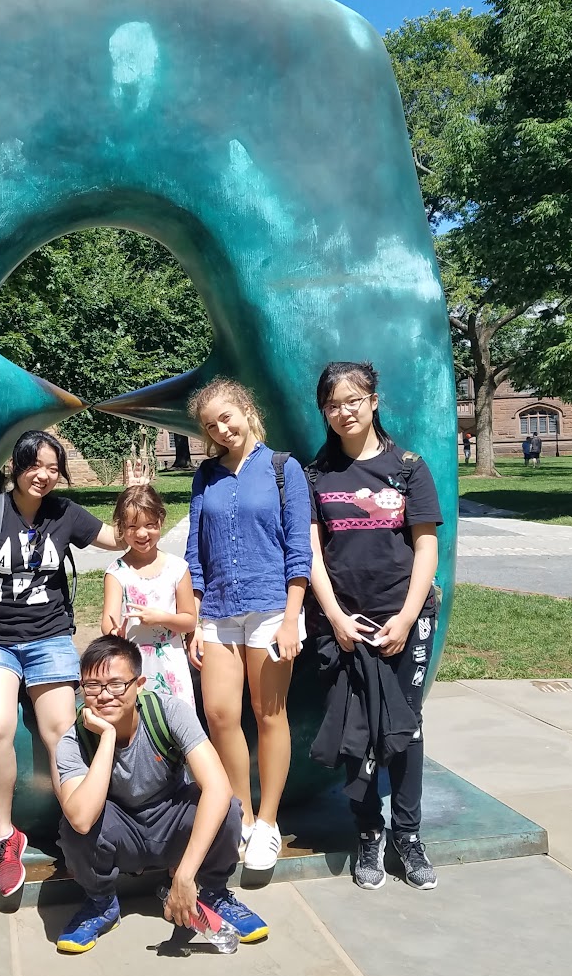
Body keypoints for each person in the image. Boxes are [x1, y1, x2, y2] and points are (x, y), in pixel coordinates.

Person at [0, 430, 122, 897]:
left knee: (61, 730)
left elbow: (116, 536)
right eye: (35, 465)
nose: (44, 475)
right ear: (16, 466)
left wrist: (136, 503)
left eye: (53, 467)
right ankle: (4, 838)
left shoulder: (64, 513)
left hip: (48, 637)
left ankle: (79, 824)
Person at [305, 361, 443, 892]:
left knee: (406, 727)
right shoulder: (315, 475)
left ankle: (408, 836)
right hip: (343, 624)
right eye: (333, 404)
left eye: (352, 400)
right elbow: (312, 553)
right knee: (355, 729)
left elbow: (426, 545)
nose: (343, 412)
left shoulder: (408, 467)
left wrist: (407, 617)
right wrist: (336, 618)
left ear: (373, 400)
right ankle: (369, 833)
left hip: (404, 618)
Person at [53, 636, 268, 953]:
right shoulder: (74, 740)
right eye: (92, 686)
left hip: (171, 821)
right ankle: (101, 905)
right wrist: (109, 737)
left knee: (228, 808)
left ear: (138, 684)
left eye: (116, 684)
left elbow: (219, 787)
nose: (103, 696)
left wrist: (185, 875)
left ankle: (214, 893)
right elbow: (82, 819)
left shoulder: (169, 713)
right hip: (121, 830)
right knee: (73, 826)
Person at [184, 378, 312, 871]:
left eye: (226, 417)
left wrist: (291, 616)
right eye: (211, 425)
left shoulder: (284, 469)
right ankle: (239, 812)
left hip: (270, 610)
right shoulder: (206, 477)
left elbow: (298, 549)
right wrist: (194, 617)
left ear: (245, 408)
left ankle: (268, 823)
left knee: (268, 714)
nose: (221, 429)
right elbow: (196, 551)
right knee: (219, 714)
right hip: (217, 611)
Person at [101, 484, 198, 707]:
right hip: (134, 663)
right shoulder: (117, 573)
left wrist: (160, 618)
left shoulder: (177, 568)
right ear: (121, 528)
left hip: (171, 661)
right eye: (132, 527)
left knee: (177, 720)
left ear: (161, 522)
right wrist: (114, 631)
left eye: (149, 525)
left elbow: (189, 620)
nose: (142, 533)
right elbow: (109, 619)